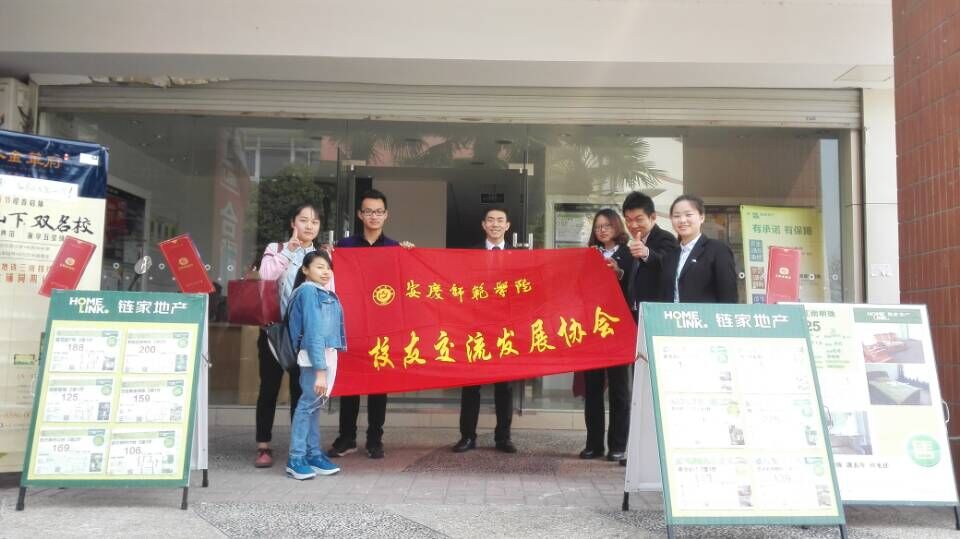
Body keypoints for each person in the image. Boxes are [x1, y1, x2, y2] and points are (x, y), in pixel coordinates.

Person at [328, 189, 414, 460]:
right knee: (350, 382)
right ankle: (346, 437)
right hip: (351, 325)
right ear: (359, 214)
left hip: (382, 326)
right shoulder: (344, 247)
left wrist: (411, 256)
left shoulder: (395, 248)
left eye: (378, 212)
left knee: (379, 383)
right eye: (368, 211)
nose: (373, 216)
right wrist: (327, 255)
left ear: (386, 215)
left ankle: (375, 439)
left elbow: (407, 284)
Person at [254, 203, 320, 468]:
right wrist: (289, 252)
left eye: (314, 221)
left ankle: (298, 447)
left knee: (301, 391)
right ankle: (263, 445)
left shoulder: (321, 256)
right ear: (293, 222)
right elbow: (265, 276)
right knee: (269, 388)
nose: (309, 226)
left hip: (304, 336)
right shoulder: (276, 248)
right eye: (303, 220)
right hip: (274, 331)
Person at [452, 207, 518, 454]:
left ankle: (503, 437)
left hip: (506, 329)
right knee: (471, 384)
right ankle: (467, 436)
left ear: (507, 225)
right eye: (490, 220)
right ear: (483, 225)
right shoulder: (469, 255)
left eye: (500, 220)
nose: (495, 224)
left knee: (505, 386)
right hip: (475, 328)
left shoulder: (520, 257)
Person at [285, 250, 346, 480]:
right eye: (319, 267)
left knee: (313, 406)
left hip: (323, 355)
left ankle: (312, 454)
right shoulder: (309, 291)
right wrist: (320, 370)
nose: (325, 271)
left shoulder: (322, 291)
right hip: (314, 357)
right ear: (305, 270)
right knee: (307, 405)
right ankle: (296, 458)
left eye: (328, 267)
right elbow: (313, 331)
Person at [580, 209, 633, 461]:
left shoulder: (629, 253)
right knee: (592, 389)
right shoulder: (589, 255)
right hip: (592, 328)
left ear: (616, 227)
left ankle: (617, 445)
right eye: (598, 227)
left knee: (619, 389)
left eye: (607, 226)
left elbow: (634, 284)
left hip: (618, 329)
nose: (602, 230)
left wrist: (618, 272)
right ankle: (593, 444)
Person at [659, 194, 738, 303]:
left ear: (702, 217)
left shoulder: (718, 250)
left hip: (706, 314)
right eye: (676, 216)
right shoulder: (670, 256)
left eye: (688, 214)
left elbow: (728, 295)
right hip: (672, 313)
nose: (682, 220)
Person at [622, 191, 678, 319]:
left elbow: (668, 264)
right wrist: (619, 272)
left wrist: (646, 253)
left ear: (653, 217)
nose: (633, 225)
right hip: (636, 313)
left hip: (656, 313)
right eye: (628, 220)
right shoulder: (637, 242)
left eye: (639, 219)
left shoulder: (666, 238)